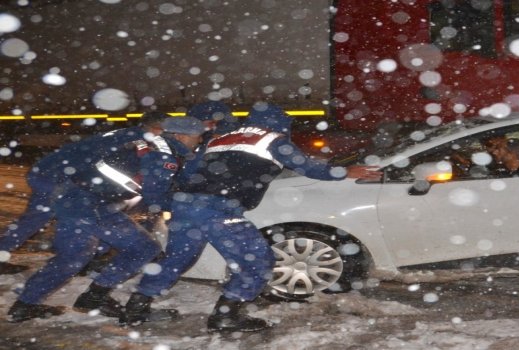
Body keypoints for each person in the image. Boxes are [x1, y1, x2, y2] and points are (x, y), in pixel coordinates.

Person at [119, 102, 382, 332]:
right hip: (218, 208)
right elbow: (307, 166)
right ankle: (227, 317)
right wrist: (345, 171)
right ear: (280, 122)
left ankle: (136, 309)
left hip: (185, 206)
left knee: (177, 259)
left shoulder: (219, 139)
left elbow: (189, 174)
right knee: (257, 260)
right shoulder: (272, 139)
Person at [7, 117, 205, 323]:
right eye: (197, 137)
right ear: (180, 136)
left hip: (70, 196)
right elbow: (155, 196)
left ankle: (24, 305)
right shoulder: (163, 156)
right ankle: (95, 297)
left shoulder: (146, 142)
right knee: (144, 248)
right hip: (91, 204)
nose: (199, 141)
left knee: (73, 256)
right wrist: (187, 206)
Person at [0, 111, 168, 275]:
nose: (167, 134)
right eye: (165, 129)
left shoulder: (129, 134)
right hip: (55, 177)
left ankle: (90, 258)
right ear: (155, 127)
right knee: (40, 218)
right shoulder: (137, 141)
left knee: (88, 216)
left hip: (53, 172)